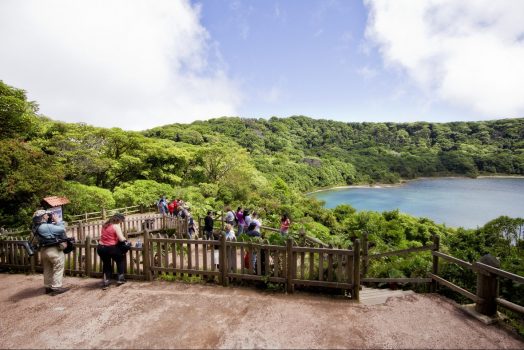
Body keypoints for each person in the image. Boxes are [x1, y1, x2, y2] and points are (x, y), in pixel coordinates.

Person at [32, 209, 71, 295]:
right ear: (42, 217)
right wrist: (57, 221)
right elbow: (62, 229)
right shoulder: (45, 227)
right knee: (59, 266)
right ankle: (56, 287)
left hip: (43, 250)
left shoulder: (35, 227)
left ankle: (48, 287)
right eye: (46, 215)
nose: (47, 216)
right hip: (53, 250)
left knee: (47, 268)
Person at [96, 213, 128, 289]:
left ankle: (106, 281)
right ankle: (120, 279)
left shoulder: (105, 225)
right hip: (110, 248)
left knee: (106, 263)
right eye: (121, 221)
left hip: (101, 248)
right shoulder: (116, 226)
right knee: (119, 260)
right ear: (119, 220)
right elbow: (121, 239)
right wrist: (126, 241)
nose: (121, 223)